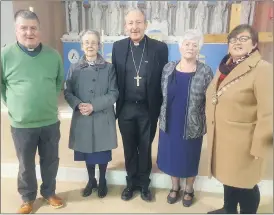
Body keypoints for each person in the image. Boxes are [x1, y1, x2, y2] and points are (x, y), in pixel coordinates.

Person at [1, 10, 64, 214]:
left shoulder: (53, 55)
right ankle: (28, 198)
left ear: (39, 30)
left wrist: (44, 102)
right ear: (16, 30)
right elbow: (2, 86)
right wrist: (15, 105)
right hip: (22, 124)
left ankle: (48, 192)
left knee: (51, 161)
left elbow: (57, 83)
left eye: (33, 28)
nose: (29, 32)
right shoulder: (5, 55)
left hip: (49, 121)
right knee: (25, 165)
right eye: (24, 28)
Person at [205, 24, 273, 214]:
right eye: (233, 39)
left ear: (254, 44)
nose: (237, 43)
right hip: (224, 138)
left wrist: (261, 147)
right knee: (229, 177)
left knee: (246, 184)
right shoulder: (225, 66)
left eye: (243, 39)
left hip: (245, 142)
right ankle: (228, 209)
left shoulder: (263, 69)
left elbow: (269, 113)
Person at [111, 9, 168, 201]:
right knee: (128, 147)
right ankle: (130, 184)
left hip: (147, 108)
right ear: (125, 26)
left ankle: (144, 184)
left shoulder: (159, 48)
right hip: (126, 107)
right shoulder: (118, 47)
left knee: (145, 147)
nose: (134, 27)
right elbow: (115, 77)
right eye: (130, 23)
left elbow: (163, 80)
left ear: (146, 24)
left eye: (138, 22)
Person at [157, 29, 213, 207]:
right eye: (186, 44)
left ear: (199, 49)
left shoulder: (205, 71)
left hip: (192, 123)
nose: (190, 47)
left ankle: (189, 188)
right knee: (172, 155)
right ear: (180, 47)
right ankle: (175, 187)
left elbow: (210, 99)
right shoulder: (168, 68)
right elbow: (161, 93)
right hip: (170, 120)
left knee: (189, 156)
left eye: (194, 45)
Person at [64, 30, 118, 199]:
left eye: (93, 42)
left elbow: (113, 93)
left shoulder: (109, 68)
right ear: (81, 46)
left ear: (99, 45)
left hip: (102, 116)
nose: (90, 45)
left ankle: (102, 179)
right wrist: (78, 104)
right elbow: (68, 92)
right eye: (86, 42)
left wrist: (94, 105)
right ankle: (91, 180)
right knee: (87, 150)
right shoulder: (74, 68)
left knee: (101, 151)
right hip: (83, 116)